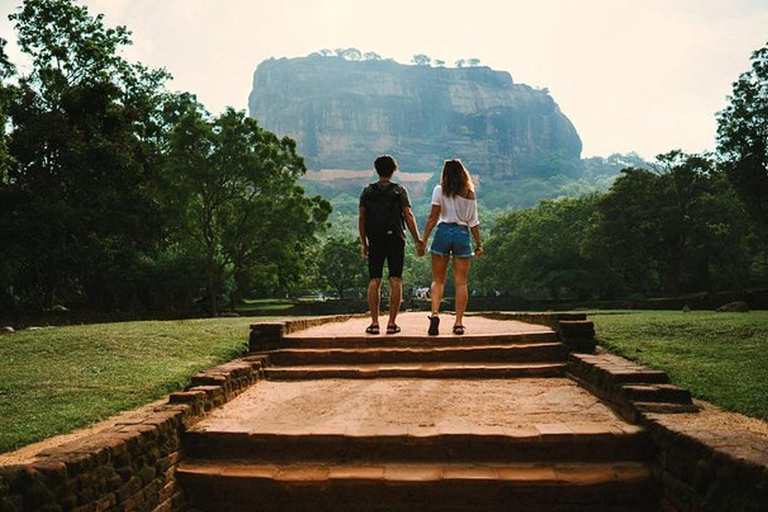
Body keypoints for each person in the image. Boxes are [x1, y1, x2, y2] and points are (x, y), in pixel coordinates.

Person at [359, 155, 423, 335]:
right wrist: (417, 239)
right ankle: (392, 323)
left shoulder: (367, 192)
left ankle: (374, 323)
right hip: (395, 238)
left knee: (374, 280)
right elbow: (408, 215)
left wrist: (364, 243)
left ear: (376, 169)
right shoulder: (399, 191)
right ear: (393, 170)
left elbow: (362, 218)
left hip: (375, 238)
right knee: (395, 279)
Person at [421, 159, 483, 335]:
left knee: (438, 280)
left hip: (443, 232)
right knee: (461, 283)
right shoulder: (469, 193)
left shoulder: (439, 190)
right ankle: (458, 323)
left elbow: (433, 217)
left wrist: (423, 239)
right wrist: (478, 243)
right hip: (462, 234)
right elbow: (473, 221)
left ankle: (434, 314)